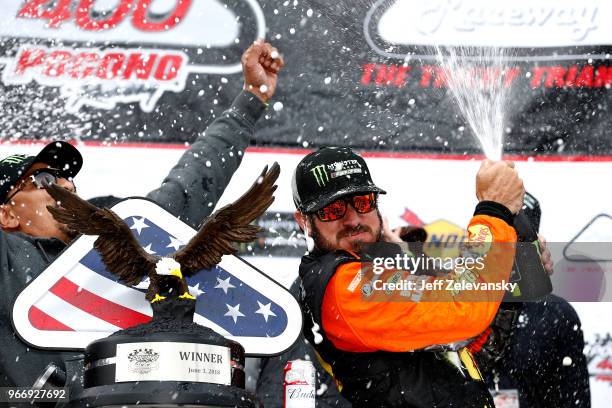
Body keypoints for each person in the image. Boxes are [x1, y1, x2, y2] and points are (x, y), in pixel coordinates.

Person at [0, 39, 284, 388]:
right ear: (7, 215)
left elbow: (187, 187)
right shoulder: (7, 260)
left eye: (67, 178)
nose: (66, 186)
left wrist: (250, 102)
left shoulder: (114, 234)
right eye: (44, 180)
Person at [291, 146, 524, 407]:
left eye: (363, 202)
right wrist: (494, 212)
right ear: (304, 221)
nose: (353, 219)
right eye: (333, 210)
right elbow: (465, 305)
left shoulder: (373, 265)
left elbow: (466, 351)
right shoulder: (342, 286)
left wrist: (516, 269)